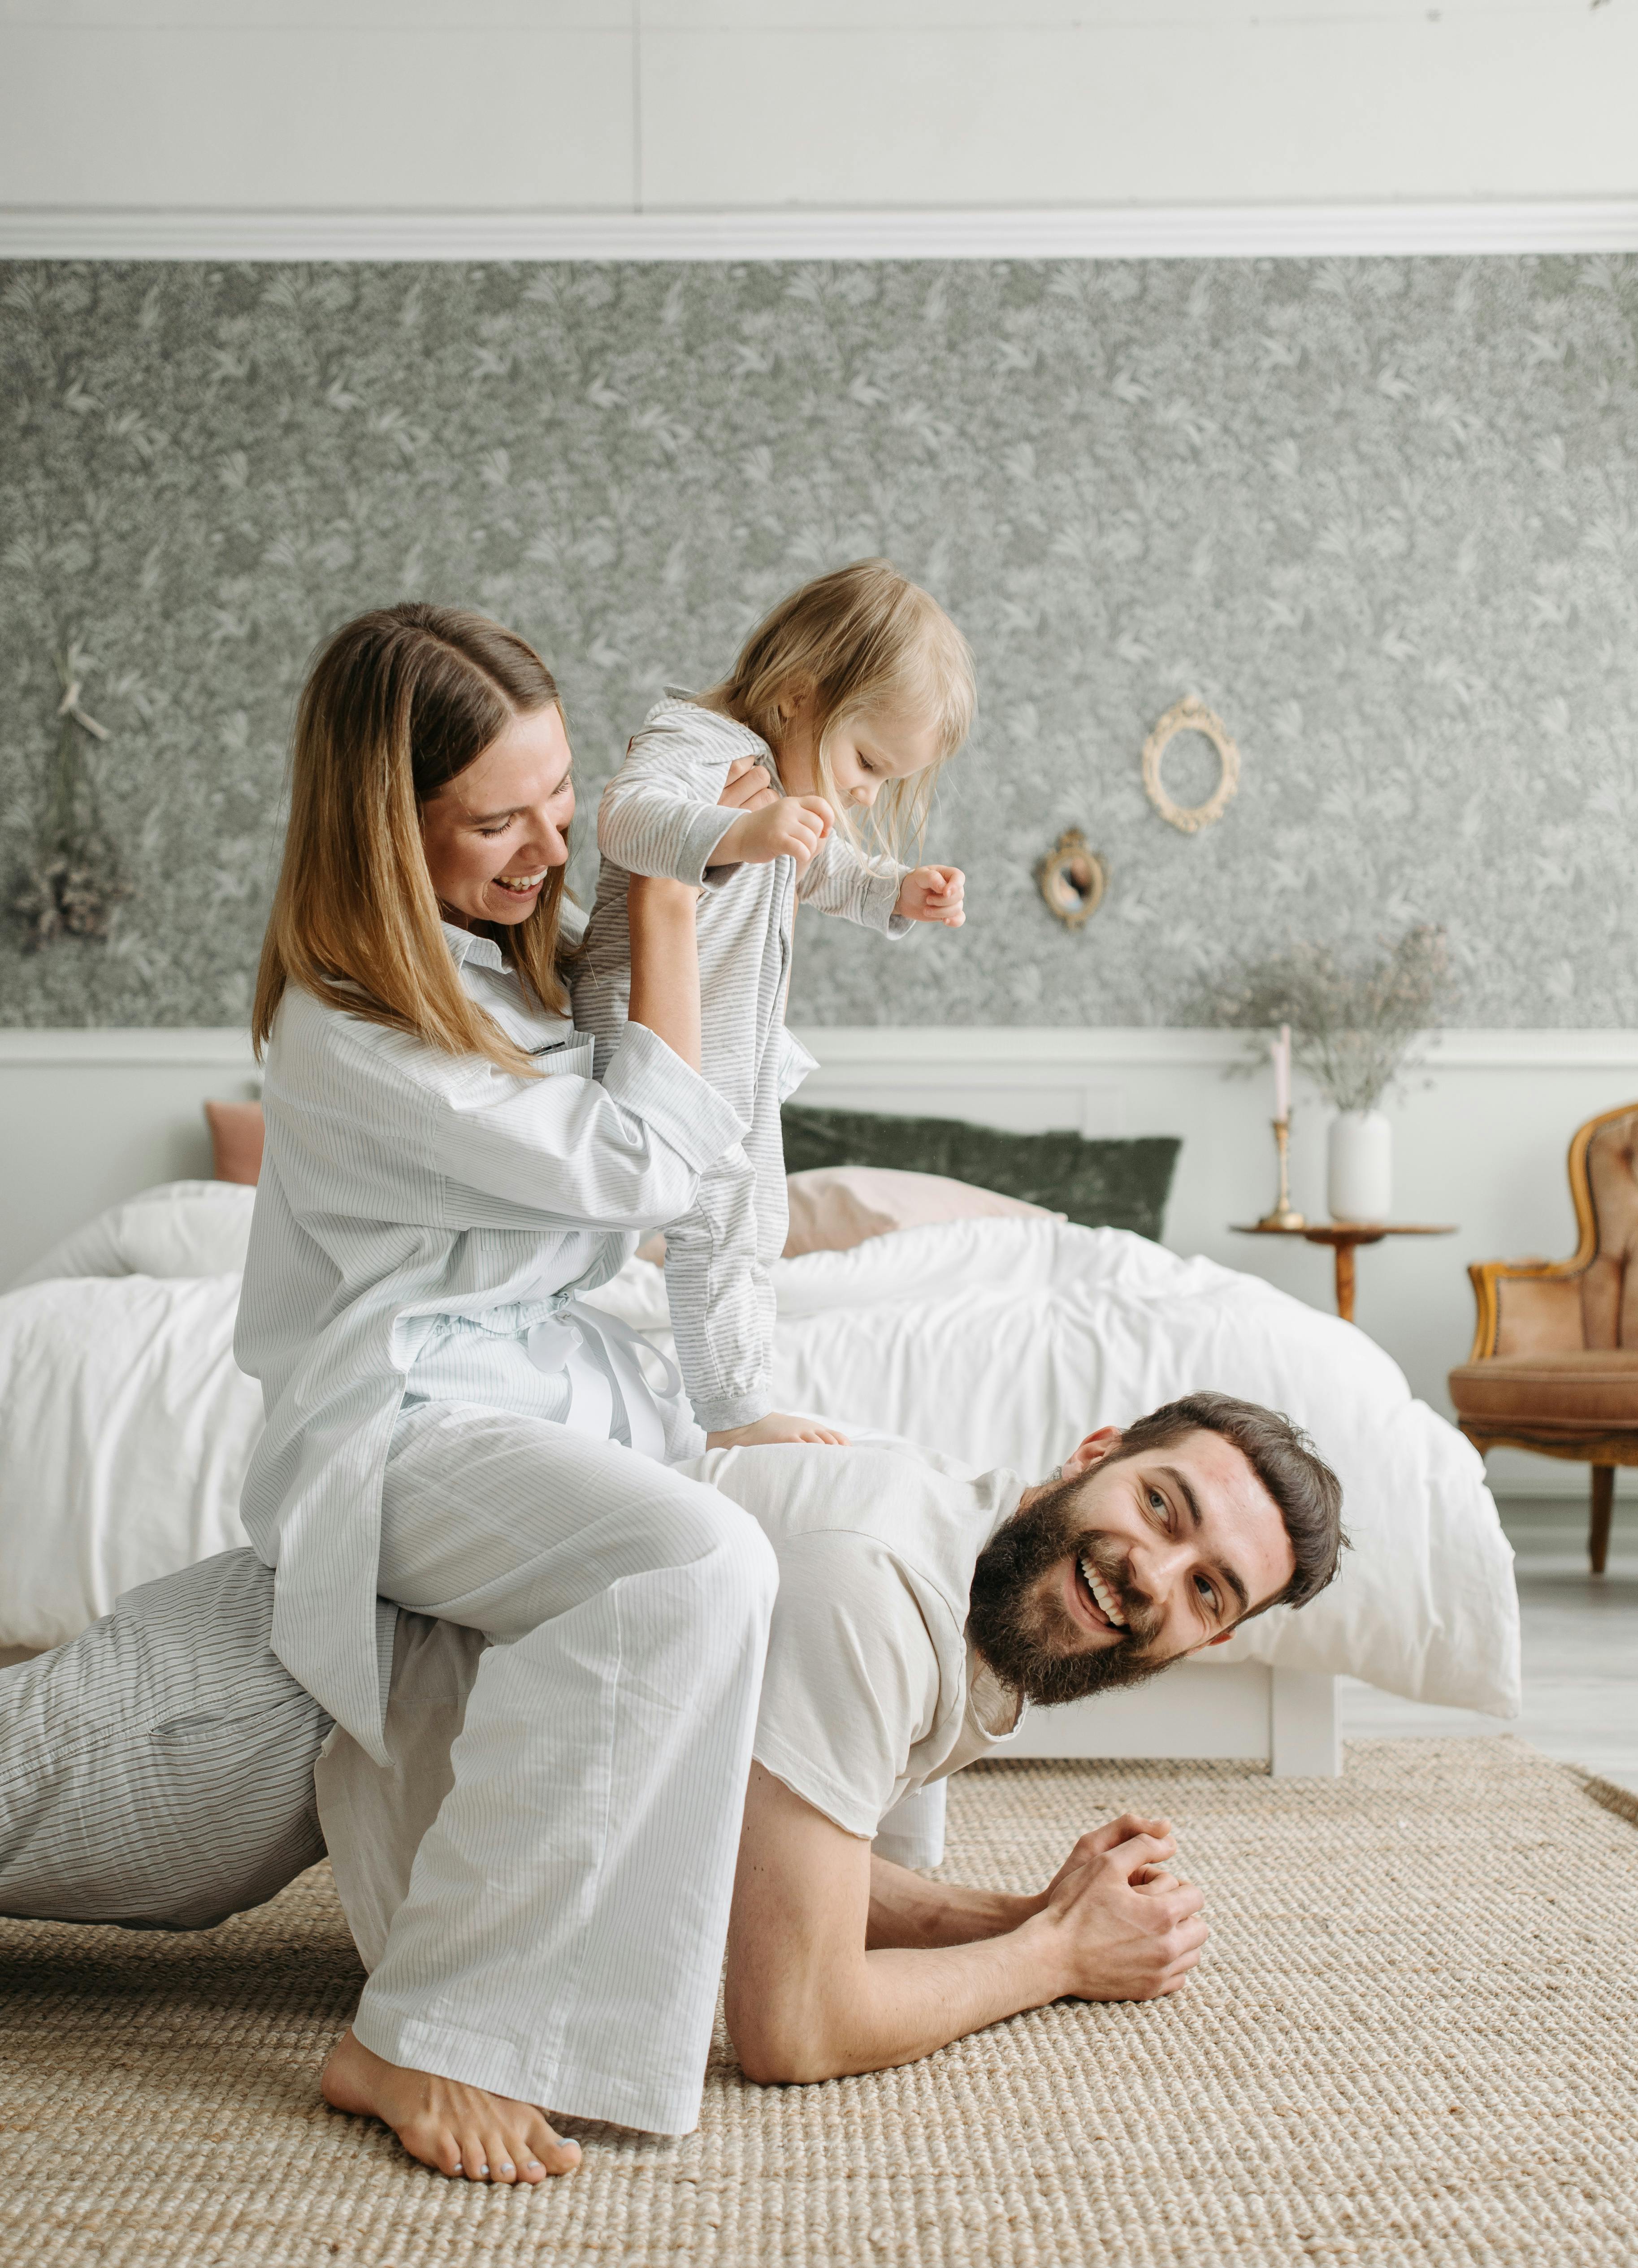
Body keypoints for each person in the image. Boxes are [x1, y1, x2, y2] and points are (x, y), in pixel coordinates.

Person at [0, 1392, 1343, 2181]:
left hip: (332, 1778)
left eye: (1202, 1590)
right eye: (1162, 1510)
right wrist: (1054, 1954)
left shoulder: (988, 1611)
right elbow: (795, 2021)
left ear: (1206, 1643)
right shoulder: (875, 1589)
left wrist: (1012, 1909)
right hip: (267, 1703)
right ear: (1090, 1452)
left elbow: (766, 1864)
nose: (1148, 1578)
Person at [231, 601, 797, 2179]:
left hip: (536, 1397)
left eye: (563, 805)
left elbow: (696, 1126)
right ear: (383, 825)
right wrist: (669, 892)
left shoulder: (509, 965)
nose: (550, 848)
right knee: (699, 1560)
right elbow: (637, 1169)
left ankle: (823, 1932)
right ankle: (417, 2037)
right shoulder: (346, 1029)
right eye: (498, 820)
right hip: (402, 1426)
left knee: (803, 1511)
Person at [573, 561, 974, 1444]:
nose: (868, 791)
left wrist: (896, 890)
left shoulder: (782, 792)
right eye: (867, 761)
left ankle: (736, 1385)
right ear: (798, 696)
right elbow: (627, 818)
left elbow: (823, 866)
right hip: (651, 1026)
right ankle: (731, 1412)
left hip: (731, 1041)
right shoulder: (694, 739)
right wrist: (734, 832)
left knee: (756, 1214)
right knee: (714, 1214)